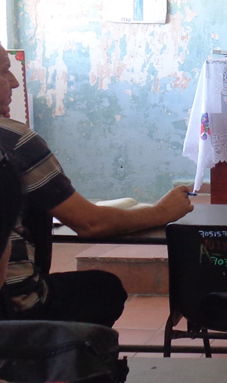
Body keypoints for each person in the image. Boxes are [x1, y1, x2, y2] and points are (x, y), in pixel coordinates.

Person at [0, 43, 194, 327]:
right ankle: (59, 364)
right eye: (5, 73)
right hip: (15, 309)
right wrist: (162, 212)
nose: (15, 82)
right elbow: (91, 224)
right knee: (103, 289)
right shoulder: (12, 141)